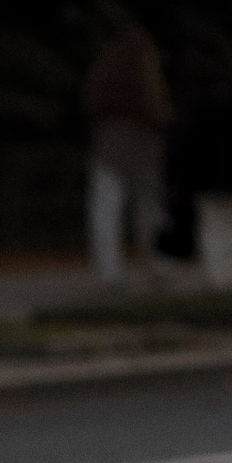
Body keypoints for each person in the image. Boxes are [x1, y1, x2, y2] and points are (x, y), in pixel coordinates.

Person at [84, 17, 173, 283]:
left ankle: (109, 271)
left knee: (106, 210)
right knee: (149, 207)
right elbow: (157, 107)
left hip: (109, 142)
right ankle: (156, 264)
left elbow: (90, 102)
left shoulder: (105, 64)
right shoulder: (145, 65)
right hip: (141, 142)